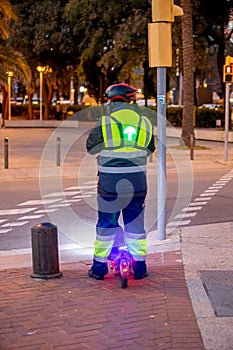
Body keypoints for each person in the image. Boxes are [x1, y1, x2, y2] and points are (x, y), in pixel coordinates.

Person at [86, 83, 155, 280]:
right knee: (135, 223)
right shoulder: (145, 123)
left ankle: (99, 268)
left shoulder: (105, 122)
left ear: (112, 101)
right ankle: (140, 266)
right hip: (137, 182)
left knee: (106, 224)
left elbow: (91, 148)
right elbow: (149, 149)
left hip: (110, 183)